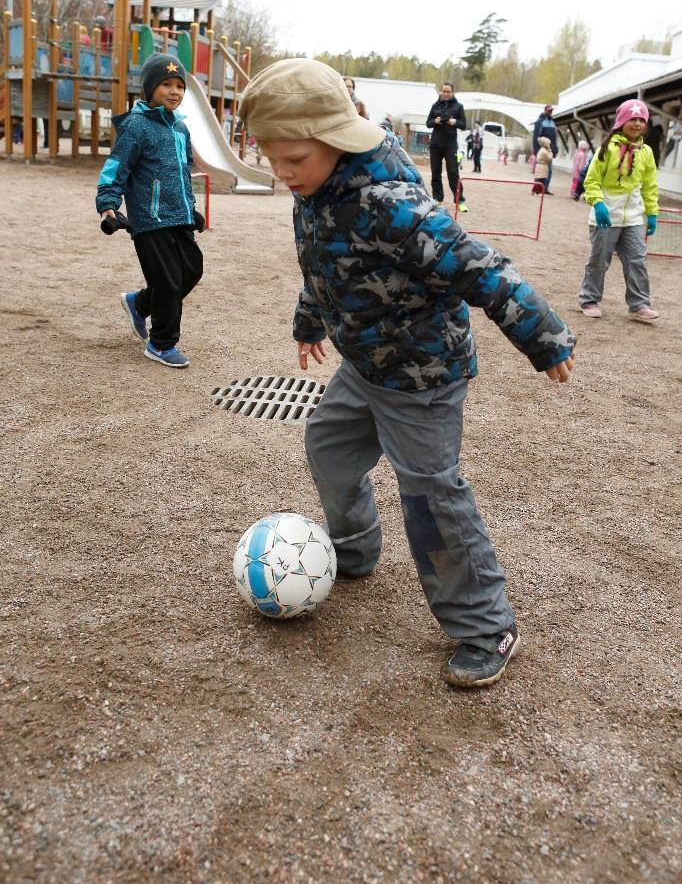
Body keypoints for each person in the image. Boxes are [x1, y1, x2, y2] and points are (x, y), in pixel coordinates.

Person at [239, 58, 576, 689]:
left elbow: (482, 266)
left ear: (336, 140)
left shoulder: (389, 206)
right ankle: (355, 549)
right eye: (272, 159)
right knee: (329, 445)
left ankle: (484, 625)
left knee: (430, 496)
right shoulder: (315, 190)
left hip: (422, 377)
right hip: (366, 363)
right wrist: (310, 319)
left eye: (293, 160)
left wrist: (543, 334)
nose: (283, 175)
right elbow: (322, 265)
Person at [95, 53, 204, 368]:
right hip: (149, 219)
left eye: (180, 86)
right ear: (150, 88)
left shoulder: (180, 129)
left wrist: (192, 208)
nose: (175, 91)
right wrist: (108, 204)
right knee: (168, 282)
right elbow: (116, 168)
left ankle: (139, 303)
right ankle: (161, 344)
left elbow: (183, 173)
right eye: (167, 84)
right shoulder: (136, 125)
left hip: (178, 216)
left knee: (192, 269)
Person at [578, 98, 659, 323]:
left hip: (633, 217)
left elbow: (650, 185)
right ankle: (589, 299)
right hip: (606, 216)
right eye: (632, 119)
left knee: (637, 261)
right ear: (622, 121)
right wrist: (598, 203)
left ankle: (639, 304)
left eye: (641, 119)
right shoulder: (607, 149)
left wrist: (651, 213)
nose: (637, 124)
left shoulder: (647, 152)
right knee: (599, 260)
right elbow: (591, 180)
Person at [426, 82, 468, 211]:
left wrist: (454, 122)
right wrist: (436, 121)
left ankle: (459, 200)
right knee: (435, 173)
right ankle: (438, 199)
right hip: (436, 144)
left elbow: (463, 125)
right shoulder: (435, 106)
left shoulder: (458, 107)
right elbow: (428, 123)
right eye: (443, 91)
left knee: (453, 173)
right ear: (441, 92)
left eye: (448, 91)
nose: (445, 93)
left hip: (450, 144)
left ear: (452, 92)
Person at [532, 104, 558, 193]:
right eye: (549, 110)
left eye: (551, 111)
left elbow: (554, 137)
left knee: (549, 171)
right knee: (540, 170)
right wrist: (536, 151)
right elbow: (536, 137)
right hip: (542, 150)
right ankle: (537, 188)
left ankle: (545, 189)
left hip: (550, 150)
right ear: (545, 110)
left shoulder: (552, 122)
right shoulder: (540, 121)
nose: (550, 112)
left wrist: (555, 149)